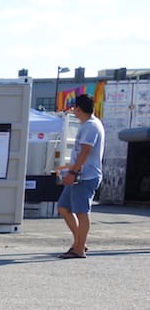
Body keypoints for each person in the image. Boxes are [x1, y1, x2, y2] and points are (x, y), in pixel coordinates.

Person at [56, 93, 104, 259]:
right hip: (80, 175)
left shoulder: (91, 126)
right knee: (63, 207)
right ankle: (80, 243)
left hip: (85, 176)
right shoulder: (89, 124)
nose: (73, 112)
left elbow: (85, 151)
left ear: (78, 108)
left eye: (74, 109)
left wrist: (73, 172)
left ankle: (79, 248)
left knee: (82, 212)